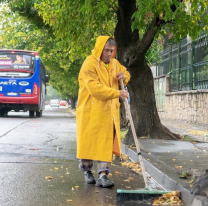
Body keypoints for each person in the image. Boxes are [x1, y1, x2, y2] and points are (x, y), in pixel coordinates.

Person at [76, 36, 130, 188]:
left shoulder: (115, 64)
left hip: (108, 112)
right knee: (89, 142)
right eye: (106, 50)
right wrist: (117, 93)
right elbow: (95, 89)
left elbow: (126, 73)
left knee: (105, 141)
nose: (109, 54)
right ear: (100, 48)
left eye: (111, 51)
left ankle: (103, 175)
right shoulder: (89, 64)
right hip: (90, 111)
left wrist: (123, 76)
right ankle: (87, 171)